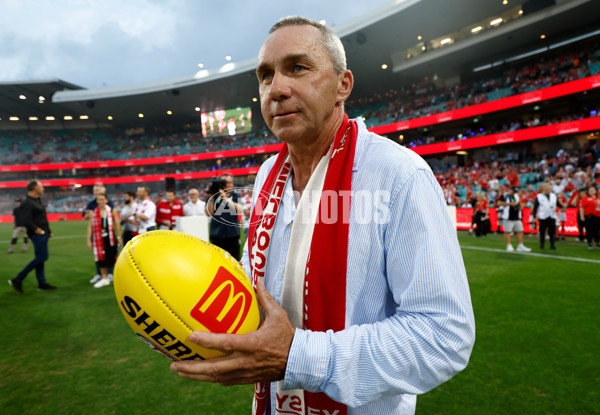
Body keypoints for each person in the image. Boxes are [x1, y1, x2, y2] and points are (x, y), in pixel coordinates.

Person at [171, 17, 475, 415]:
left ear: (342, 85)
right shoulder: (266, 175)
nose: (276, 89)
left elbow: (443, 335)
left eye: (298, 67)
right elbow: (258, 283)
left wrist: (298, 356)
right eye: (265, 76)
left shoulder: (399, 174)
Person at [8, 180, 57, 293]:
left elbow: (43, 218)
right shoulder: (27, 203)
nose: (43, 188)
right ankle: (18, 279)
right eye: (41, 186)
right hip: (37, 234)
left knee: (40, 258)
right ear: (35, 188)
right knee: (42, 257)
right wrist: (37, 230)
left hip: (43, 233)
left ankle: (42, 284)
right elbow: (25, 220)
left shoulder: (37, 201)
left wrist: (48, 231)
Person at [86, 194, 122, 288]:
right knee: (101, 259)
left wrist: (119, 237)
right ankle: (104, 278)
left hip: (110, 238)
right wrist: (89, 240)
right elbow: (90, 227)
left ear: (106, 200)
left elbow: (117, 225)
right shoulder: (93, 212)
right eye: (99, 200)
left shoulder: (111, 211)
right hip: (98, 239)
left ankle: (120, 276)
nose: (101, 202)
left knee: (115, 257)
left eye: (102, 199)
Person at [205, 174, 243, 260]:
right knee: (217, 262)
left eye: (228, 182)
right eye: (223, 182)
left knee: (234, 263)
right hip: (217, 235)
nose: (226, 184)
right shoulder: (213, 196)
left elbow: (240, 209)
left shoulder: (236, 195)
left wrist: (225, 198)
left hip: (232, 235)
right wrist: (211, 197)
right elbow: (209, 213)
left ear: (232, 184)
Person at [497, 187, 531, 252]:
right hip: (508, 217)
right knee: (508, 232)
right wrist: (509, 204)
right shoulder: (504, 195)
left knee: (519, 231)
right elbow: (499, 203)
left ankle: (520, 245)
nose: (514, 193)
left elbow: (518, 203)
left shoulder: (516, 196)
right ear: (510, 190)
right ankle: (508, 246)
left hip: (517, 216)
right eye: (513, 191)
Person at [532, 183, 561, 250]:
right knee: (542, 231)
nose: (549, 189)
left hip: (551, 215)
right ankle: (542, 244)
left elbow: (558, 203)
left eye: (550, 188)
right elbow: (535, 207)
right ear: (544, 189)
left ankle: (552, 245)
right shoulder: (539, 196)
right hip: (542, 216)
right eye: (548, 188)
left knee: (552, 231)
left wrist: (562, 207)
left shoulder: (553, 195)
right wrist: (534, 216)